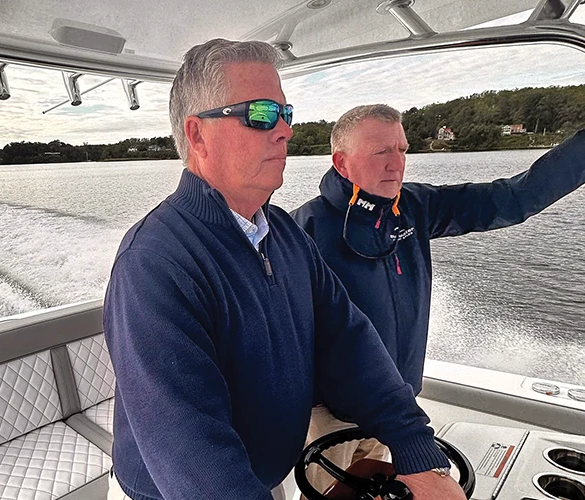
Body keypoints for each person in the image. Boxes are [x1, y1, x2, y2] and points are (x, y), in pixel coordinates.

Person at [103, 41, 465, 500]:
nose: (284, 131)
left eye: (285, 114)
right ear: (197, 135)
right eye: (259, 115)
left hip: (263, 477)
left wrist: (417, 451)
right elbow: (190, 450)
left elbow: (348, 342)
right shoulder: (153, 263)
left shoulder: (286, 236)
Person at [291, 104, 585, 491]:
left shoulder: (415, 207)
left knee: (377, 487)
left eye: (402, 149)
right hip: (332, 414)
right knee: (331, 492)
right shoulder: (302, 231)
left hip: (398, 407)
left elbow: (513, 199)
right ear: (341, 163)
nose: (397, 164)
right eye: (381, 152)